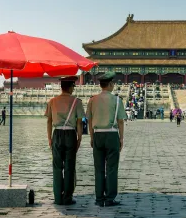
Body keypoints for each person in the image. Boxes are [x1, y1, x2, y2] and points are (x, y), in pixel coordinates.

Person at [86, 72, 127, 207]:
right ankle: (110, 198)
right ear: (109, 84)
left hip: (97, 134)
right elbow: (120, 121)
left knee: (98, 168)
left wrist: (92, 137)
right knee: (112, 168)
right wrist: (121, 138)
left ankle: (99, 198)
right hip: (111, 134)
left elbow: (90, 120)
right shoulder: (117, 100)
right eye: (113, 83)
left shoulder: (92, 100)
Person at [45, 76, 85, 205]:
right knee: (69, 166)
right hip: (70, 134)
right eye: (73, 86)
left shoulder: (52, 101)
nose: (74, 89)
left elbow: (49, 121)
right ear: (70, 87)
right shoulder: (76, 102)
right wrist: (79, 138)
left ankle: (57, 197)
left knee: (57, 167)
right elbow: (79, 122)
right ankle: (67, 197)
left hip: (56, 134)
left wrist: (49, 138)